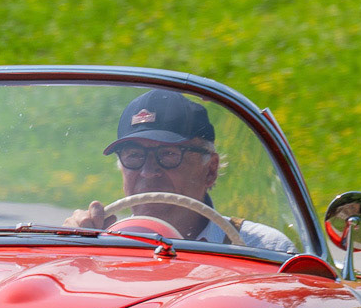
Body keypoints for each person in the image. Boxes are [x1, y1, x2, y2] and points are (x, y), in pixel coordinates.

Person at [65, 88, 295, 252]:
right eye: (134, 155)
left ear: (210, 170)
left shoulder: (263, 248)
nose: (148, 171)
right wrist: (71, 248)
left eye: (168, 154)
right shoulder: (103, 244)